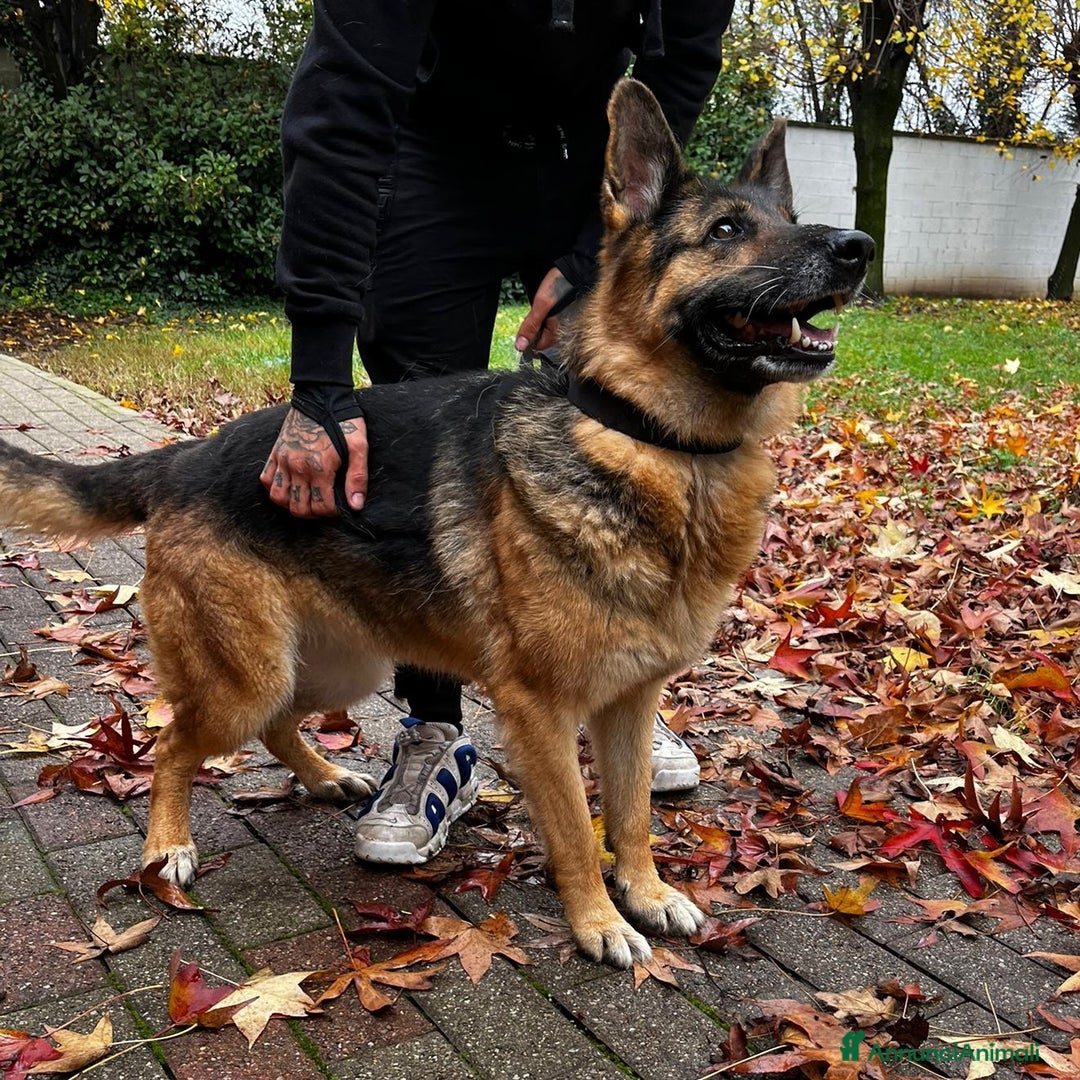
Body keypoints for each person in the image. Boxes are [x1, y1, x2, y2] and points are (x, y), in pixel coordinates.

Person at [261, 0, 733, 865]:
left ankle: (620, 682)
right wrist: (320, 379)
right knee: (420, 422)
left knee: (614, 408)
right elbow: (342, 107)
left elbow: (681, 68)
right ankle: (436, 734)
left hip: (582, 159)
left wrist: (594, 245)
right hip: (433, 147)